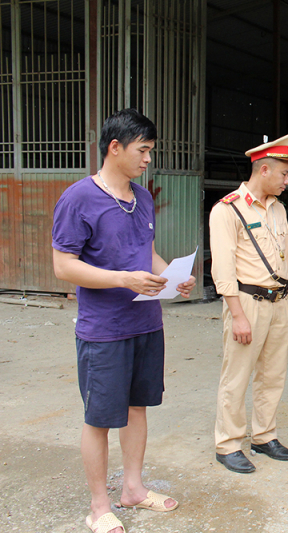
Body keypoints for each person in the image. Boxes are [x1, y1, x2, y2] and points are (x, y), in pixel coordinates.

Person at [52, 108, 195, 533]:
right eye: (143, 150)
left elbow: (144, 254)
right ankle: (99, 506)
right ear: (115, 148)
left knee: (137, 408)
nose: (148, 158)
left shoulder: (143, 197)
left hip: (146, 323)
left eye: (151, 151)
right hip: (104, 330)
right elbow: (63, 266)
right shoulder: (78, 198)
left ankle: (132, 487)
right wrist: (121, 279)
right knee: (99, 417)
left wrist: (172, 276)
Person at [209, 134, 288, 474]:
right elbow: (222, 269)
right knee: (236, 375)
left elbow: (287, 260)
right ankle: (228, 443)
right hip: (246, 303)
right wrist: (237, 316)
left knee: (272, 375)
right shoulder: (228, 209)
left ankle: (264, 436)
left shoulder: (277, 209)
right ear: (264, 170)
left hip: (278, 303)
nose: (287, 181)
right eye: (283, 175)